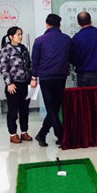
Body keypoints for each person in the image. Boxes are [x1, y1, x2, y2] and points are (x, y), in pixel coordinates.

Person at [30, 13, 72, 147]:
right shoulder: (67, 40)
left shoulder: (39, 40)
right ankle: (59, 136)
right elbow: (72, 57)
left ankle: (46, 135)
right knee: (54, 107)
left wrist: (33, 77)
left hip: (45, 78)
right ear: (59, 25)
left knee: (51, 108)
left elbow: (35, 60)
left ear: (46, 24)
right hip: (60, 77)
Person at [0, 26, 33, 144]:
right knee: (13, 111)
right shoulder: (6, 50)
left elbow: (29, 65)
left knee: (25, 110)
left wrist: (32, 78)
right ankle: (13, 134)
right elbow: (4, 68)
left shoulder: (23, 48)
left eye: (21, 34)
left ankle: (24, 132)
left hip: (26, 84)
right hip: (13, 85)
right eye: (18, 34)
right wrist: (9, 83)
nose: (20, 36)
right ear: (11, 37)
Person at [71, 11, 97, 87]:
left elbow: (74, 58)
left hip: (82, 75)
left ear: (78, 23)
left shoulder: (76, 38)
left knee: (84, 95)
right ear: (90, 21)